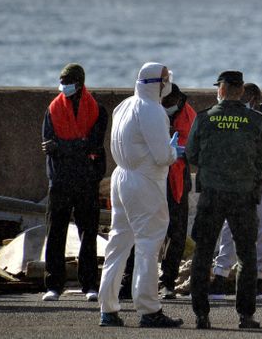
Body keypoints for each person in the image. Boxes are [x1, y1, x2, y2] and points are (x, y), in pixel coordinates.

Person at [98, 62, 184, 328]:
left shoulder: (123, 106)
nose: (168, 83)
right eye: (166, 79)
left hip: (121, 177)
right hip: (145, 181)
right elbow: (161, 156)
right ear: (158, 83)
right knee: (149, 244)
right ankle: (149, 309)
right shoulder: (153, 110)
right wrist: (174, 152)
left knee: (118, 243)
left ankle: (108, 309)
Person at [187, 71, 262, 330]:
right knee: (247, 255)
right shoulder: (255, 120)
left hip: (212, 195)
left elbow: (191, 154)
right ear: (240, 91)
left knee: (202, 254)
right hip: (243, 196)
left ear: (222, 90)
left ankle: (201, 315)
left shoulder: (205, 118)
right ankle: (245, 316)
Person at [209, 83, 262, 300]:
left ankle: (224, 281)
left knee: (235, 232)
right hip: (259, 183)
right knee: (258, 233)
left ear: (252, 99)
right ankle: (253, 284)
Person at [41, 63, 108, 302]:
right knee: (55, 233)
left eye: (67, 81)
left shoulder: (98, 110)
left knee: (88, 234)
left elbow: (94, 143)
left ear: (79, 84)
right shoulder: (53, 109)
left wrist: (64, 147)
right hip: (59, 180)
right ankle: (53, 285)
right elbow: (48, 145)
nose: (63, 86)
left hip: (86, 181)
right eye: (62, 81)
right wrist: (76, 146)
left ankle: (89, 285)